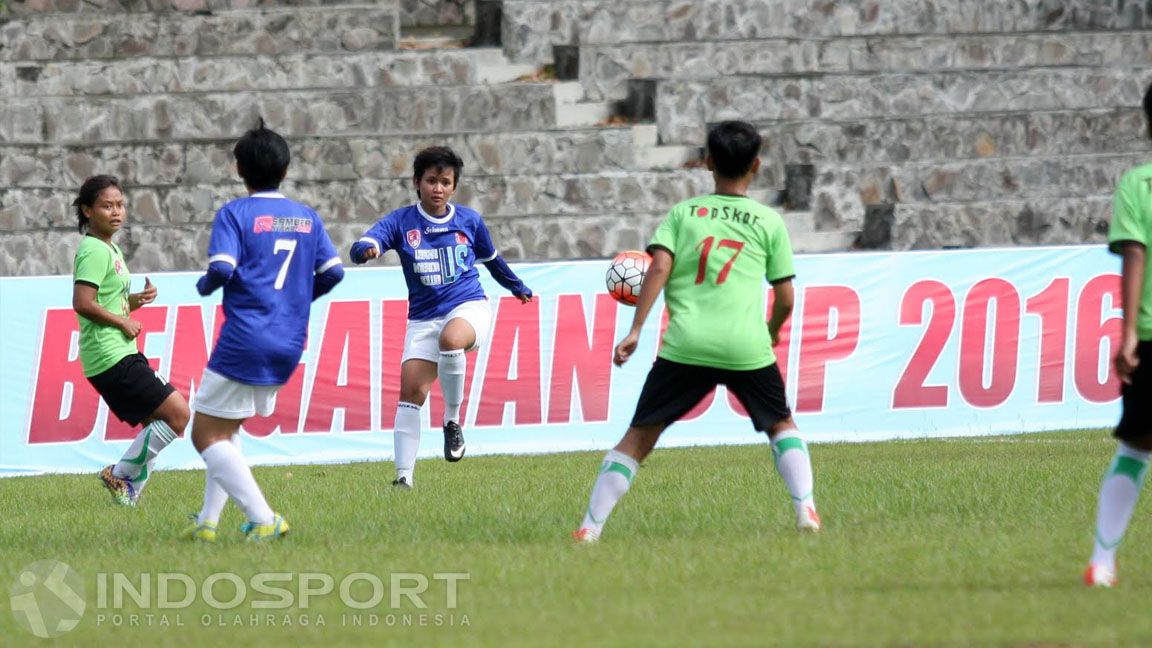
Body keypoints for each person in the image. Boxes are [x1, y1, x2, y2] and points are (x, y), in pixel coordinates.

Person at [572, 120, 820, 543]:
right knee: (781, 425)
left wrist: (635, 330)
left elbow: (660, 268)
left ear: (707, 162)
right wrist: (771, 332)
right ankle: (806, 510)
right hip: (747, 346)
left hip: (686, 345)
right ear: (756, 165)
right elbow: (786, 298)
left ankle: (589, 529)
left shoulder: (683, 215)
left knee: (638, 437)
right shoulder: (768, 221)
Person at [182, 120, 344, 543]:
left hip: (247, 335)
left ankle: (264, 517)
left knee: (204, 433)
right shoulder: (306, 217)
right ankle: (206, 524)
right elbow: (334, 272)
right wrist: (295, 300)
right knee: (227, 429)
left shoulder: (235, 214)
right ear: (285, 171)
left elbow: (222, 267)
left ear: (239, 169)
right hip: (290, 339)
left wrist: (203, 287)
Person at [350, 146, 532, 489]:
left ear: (454, 187)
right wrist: (366, 251)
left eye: (445, 182)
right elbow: (365, 242)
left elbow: (492, 260)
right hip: (423, 319)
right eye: (431, 180)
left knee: (451, 339)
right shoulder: (402, 222)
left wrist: (516, 286)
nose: (438, 188)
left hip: (469, 308)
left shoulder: (469, 221)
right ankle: (403, 478)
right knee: (411, 393)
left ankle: (451, 421)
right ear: (417, 182)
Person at [71, 174, 190, 506]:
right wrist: (123, 322)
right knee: (178, 415)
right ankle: (120, 474)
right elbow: (82, 302)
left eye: (120, 205)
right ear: (87, 211)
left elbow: (106, 300)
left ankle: (129, 493)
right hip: (111, 355)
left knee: (159, 422)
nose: (116, 211)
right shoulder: (94, 250)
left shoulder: (110, 247)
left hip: (116, 353)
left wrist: (136, 299)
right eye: (106, 206)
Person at [1085, 81, 1152, 587]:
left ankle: (1102, 560)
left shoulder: (1139, 184)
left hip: (1148, 333)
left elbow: (1134, 253)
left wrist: (1127, 331)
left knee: (1136, 445)